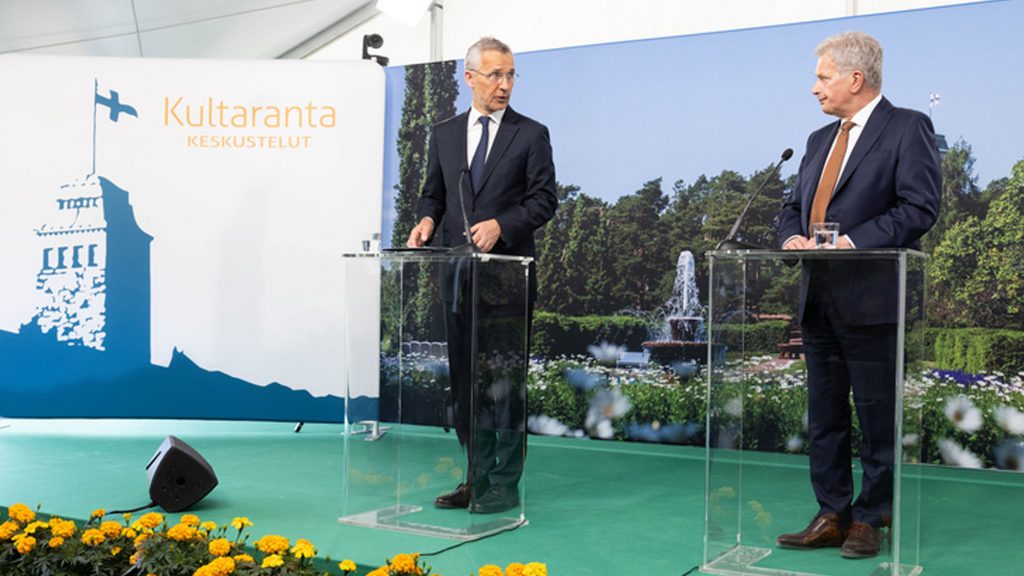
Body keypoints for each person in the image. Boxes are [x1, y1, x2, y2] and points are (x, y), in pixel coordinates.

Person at [776, 31, 940, 558]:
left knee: (875, 415)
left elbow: (919, 207)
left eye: (822, 77)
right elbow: (790, 206)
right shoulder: (817, 141)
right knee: (823, 415)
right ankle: (831, 513)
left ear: (854, 78)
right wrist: (790, 236)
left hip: (871, 298)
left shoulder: (907, 127)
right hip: (817, 299)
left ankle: (873, 517)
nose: (814, 88)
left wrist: (853, 241)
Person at [407, 37, 557, 514]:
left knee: (503, 386)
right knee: (467, 382)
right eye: (495, 75)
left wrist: (502, 225)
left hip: (508, 281)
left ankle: (505, 484)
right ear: (469, 77)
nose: (505, 84)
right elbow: (434, 195)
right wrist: (427, 221)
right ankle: (475, 475)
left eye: (511, 75)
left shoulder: (531, 134)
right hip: (457, 276)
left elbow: (544, 201)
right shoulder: (445, 133)